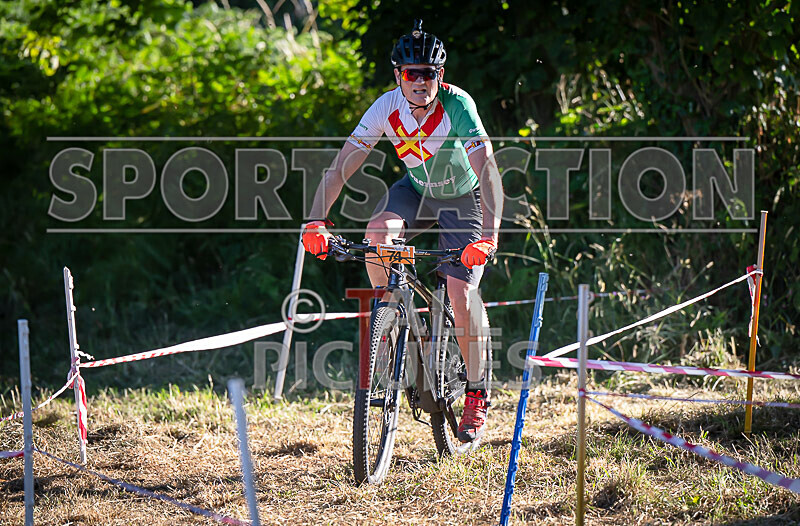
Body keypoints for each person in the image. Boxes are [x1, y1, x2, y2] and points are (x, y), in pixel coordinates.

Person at [302, 20, 503, 443]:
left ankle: (477, 394)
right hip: (416, 191)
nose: (419, 82)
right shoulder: (385, 108)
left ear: (440, 77)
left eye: (428, 73)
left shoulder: (459, 106)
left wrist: (489, 234)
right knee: (377, 234)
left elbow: (487, 170)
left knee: (459, 293)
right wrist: (315, 220)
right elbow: (341, 167)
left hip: (463, 200)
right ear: (398, 76)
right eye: (411, 73)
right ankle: (390, 323)